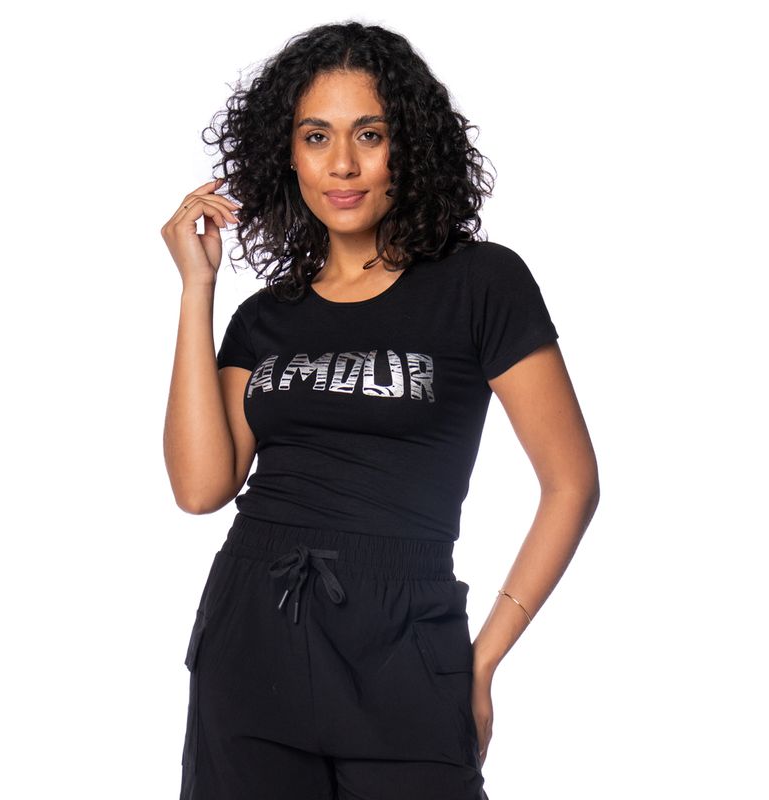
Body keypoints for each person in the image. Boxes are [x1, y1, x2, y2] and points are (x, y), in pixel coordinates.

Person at [161, 20, 599, 800]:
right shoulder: (265, 319)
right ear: (287, 154)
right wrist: (199, 289)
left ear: (410, 146)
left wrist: (482, 661)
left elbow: (571, 484)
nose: (343, 163)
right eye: (316, 136)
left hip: (407, 647)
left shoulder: (481, 284)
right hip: (251, 636)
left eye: (370, 134)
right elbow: (200, 489)